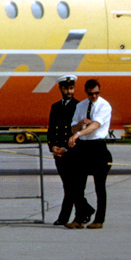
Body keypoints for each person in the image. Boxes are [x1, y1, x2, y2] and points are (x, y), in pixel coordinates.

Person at [47, 75, 93, 227]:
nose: (69, 91)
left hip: (73, 152)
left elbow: (79, 131)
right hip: (59, 153)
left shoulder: (80, 107)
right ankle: (85, 209)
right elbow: (52, 130)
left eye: (71, 88)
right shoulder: (55, 107)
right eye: (66, 88)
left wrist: (66, 148)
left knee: (71, 186)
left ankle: (65, 217)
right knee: (68, 186)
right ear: (60, 89)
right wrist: (52, 146)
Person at [68, 78, 114, 230]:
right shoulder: (81, 106)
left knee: (99, 186)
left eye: (96, 93)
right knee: (77, 186)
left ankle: (99, 219)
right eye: (91, 94)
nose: (94, 96)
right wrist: (80, 125)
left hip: (98, 148)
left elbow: (95, 125)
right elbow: (73, 127)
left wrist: (78, 134)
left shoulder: (104, 105)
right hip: (83, 148)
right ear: (86, 92)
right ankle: (81, 216)